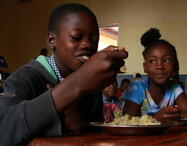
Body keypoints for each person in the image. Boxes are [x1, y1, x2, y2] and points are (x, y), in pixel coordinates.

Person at [0, 3, 128, 145]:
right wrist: (74, 86)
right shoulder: (26, 77)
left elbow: (91, 134)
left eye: (94, 39)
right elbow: (4, 129)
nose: (88, 45)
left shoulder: (92, 84)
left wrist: (79, 125)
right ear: (51, 40)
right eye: (76, 37)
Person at [122, 28, 187, 123]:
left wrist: (169, 116)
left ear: (174, 65)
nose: (160, 66)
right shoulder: (137, 86)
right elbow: (127, 121)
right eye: (152, 61)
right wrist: (155, 118)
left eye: (166, 60)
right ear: (145, 67)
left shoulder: (173, 86)